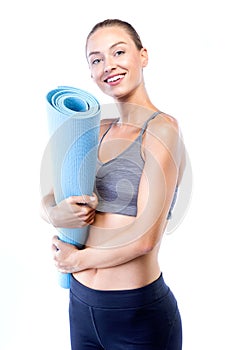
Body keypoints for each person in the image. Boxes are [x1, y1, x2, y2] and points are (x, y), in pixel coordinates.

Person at [41, 19, 186, 350]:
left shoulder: (163, 131)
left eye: (118, 51)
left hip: (136, 316)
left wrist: (77, 260)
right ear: (90, 72)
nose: (108, 65)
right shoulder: (96, 128)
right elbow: (51, 196)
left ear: (142, 56)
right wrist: (56, 213)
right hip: (80, 307)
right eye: (96, 59)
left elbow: (146, 239)